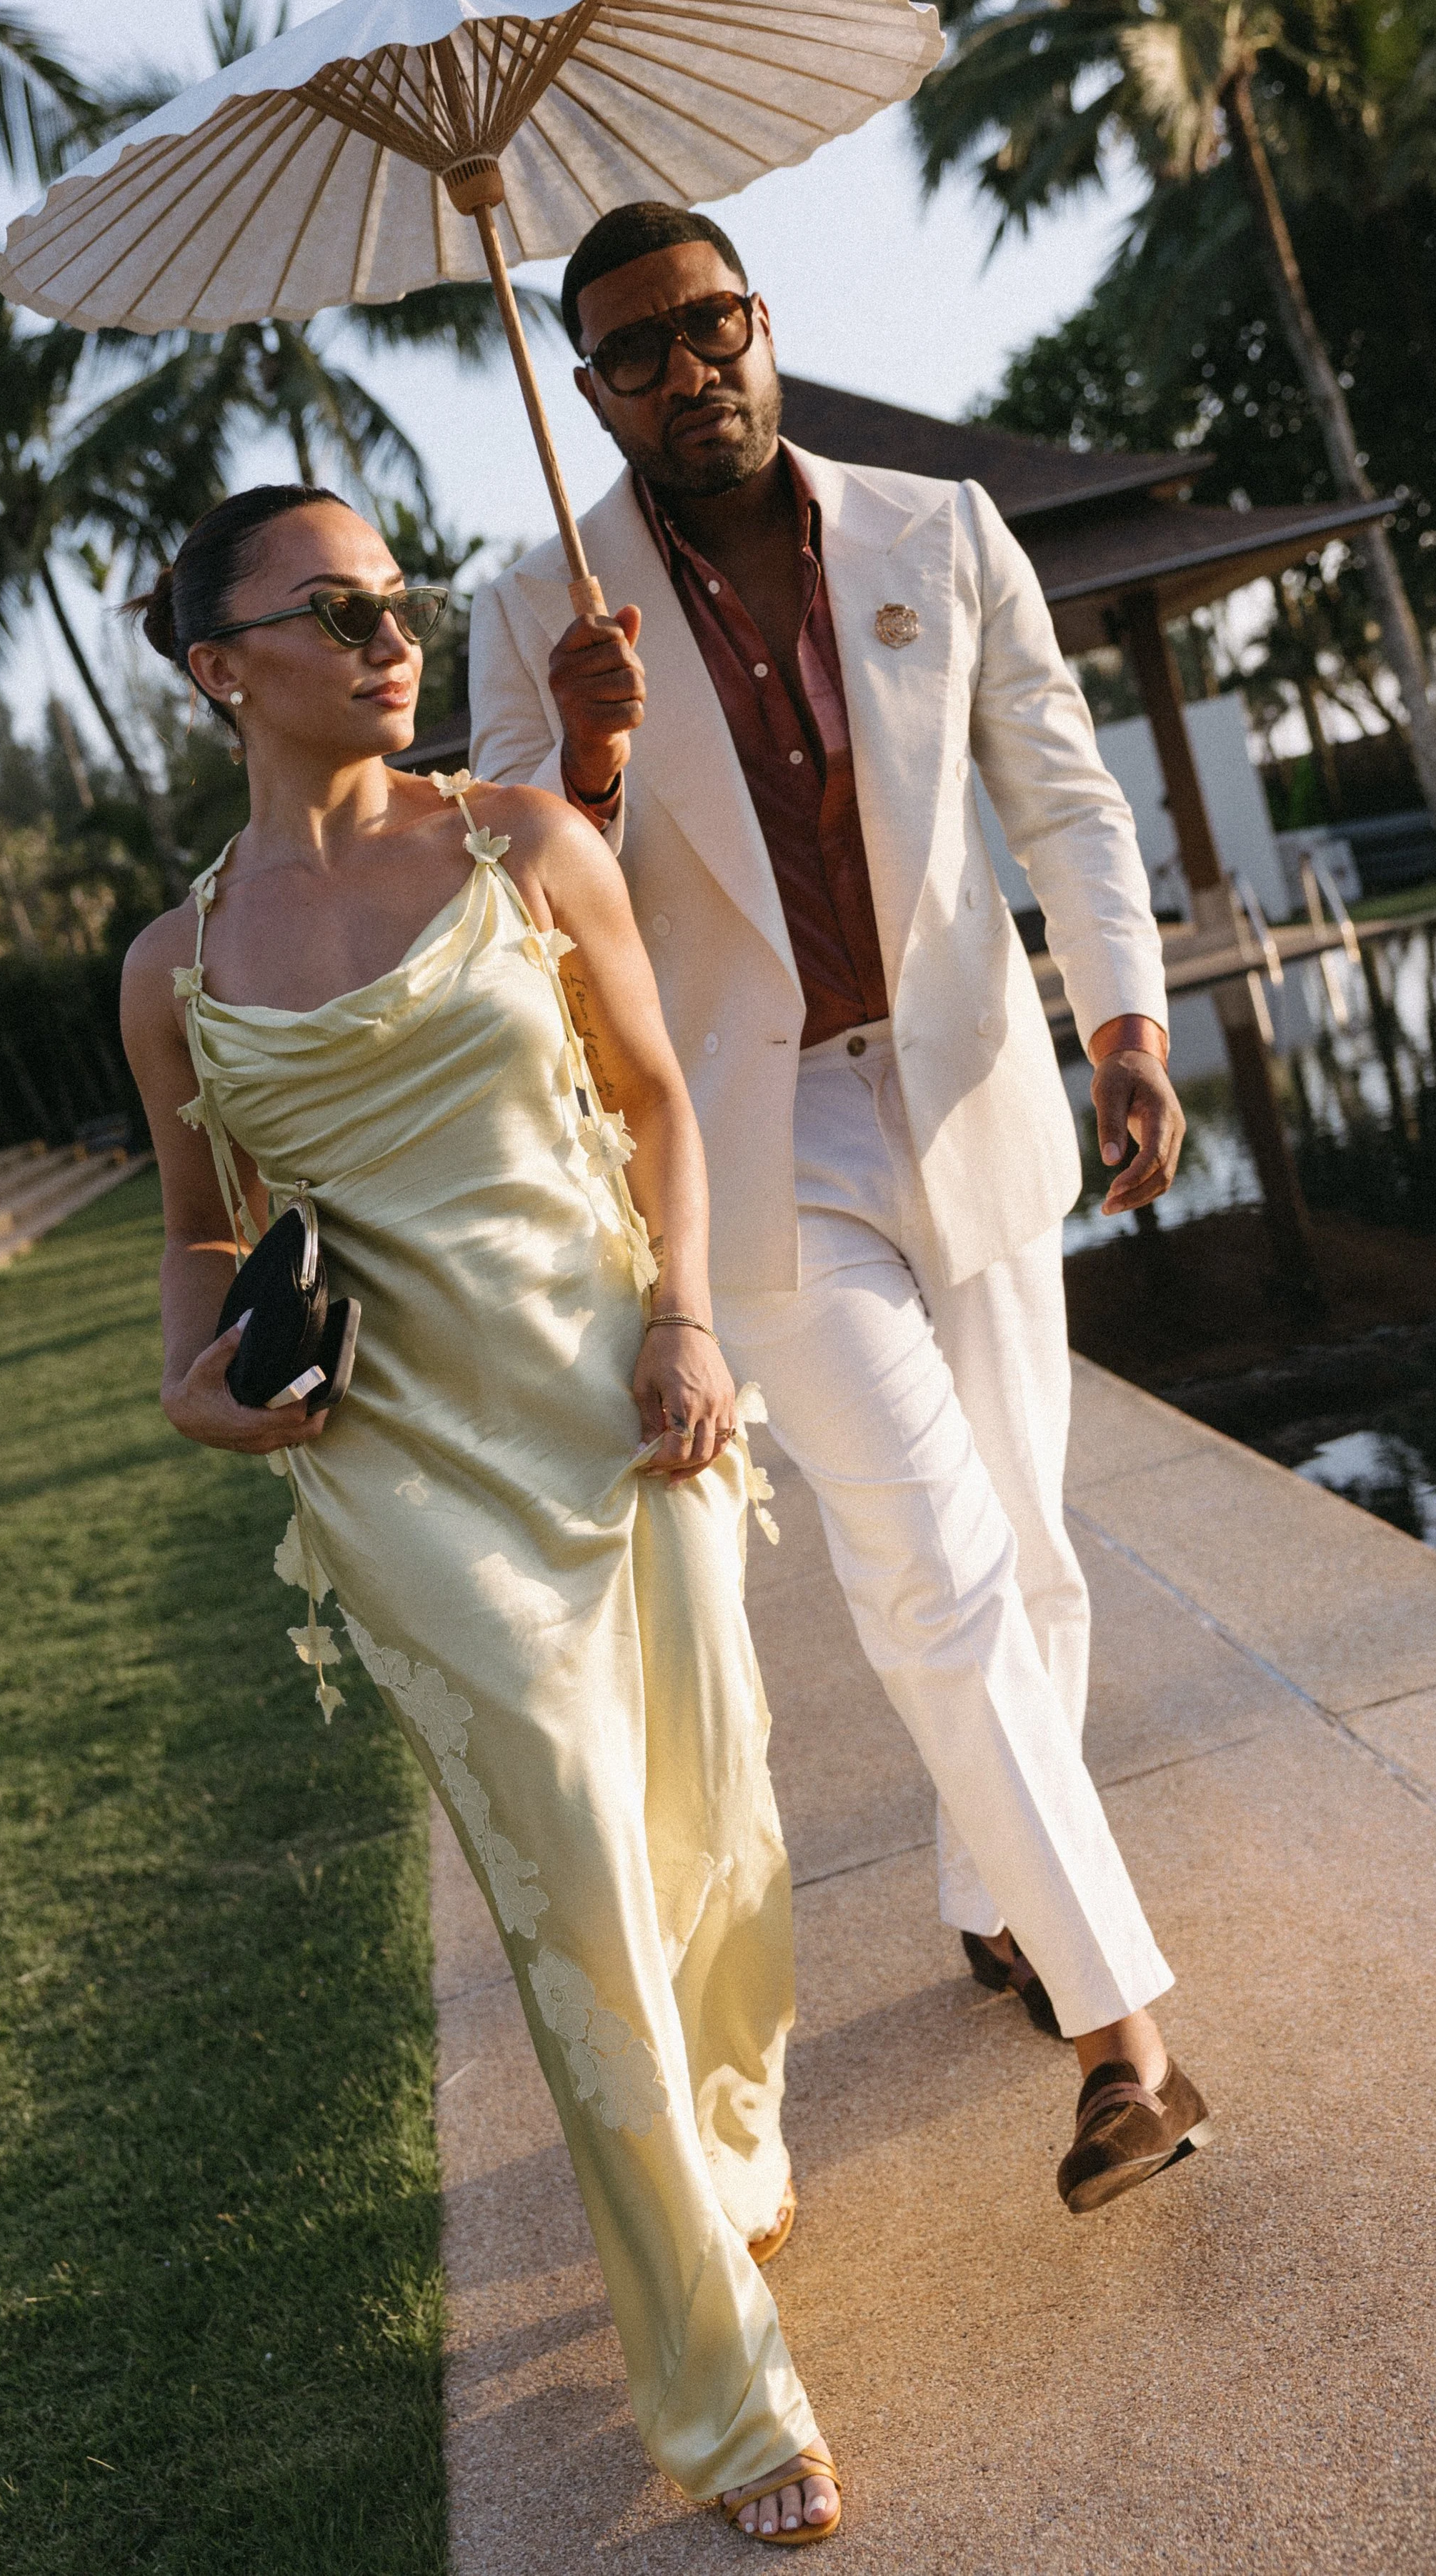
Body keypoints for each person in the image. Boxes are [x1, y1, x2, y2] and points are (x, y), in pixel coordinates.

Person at [469, 204, 1213, 2212]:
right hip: (754, 1144)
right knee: (934, 1573)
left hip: (967, 1095)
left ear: (759, 325)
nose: (687, 367)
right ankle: (1122, 2039)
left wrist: (1122, 1027)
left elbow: (1057, 793)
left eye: (712, 323)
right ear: (588, 388)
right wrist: (593, 766)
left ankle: (996, 1893)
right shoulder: (533, 608)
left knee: (1033, 1561)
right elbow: (522, 934)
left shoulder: (936, 528)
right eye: (636, 351)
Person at [119, 484, 841, 2545]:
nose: (386, 632)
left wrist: (686, 1317)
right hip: (400, 1474)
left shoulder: (529, 842)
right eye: (329, 608)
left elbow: (657, 1101)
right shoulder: (173, 969)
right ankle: (716, 2393)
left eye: (395, 597)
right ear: (218, 665)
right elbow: (198, 1236)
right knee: (575, 1894)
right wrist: (194, 1389)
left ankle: (729, 2139)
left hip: (624, 1407)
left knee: (721, 1847)